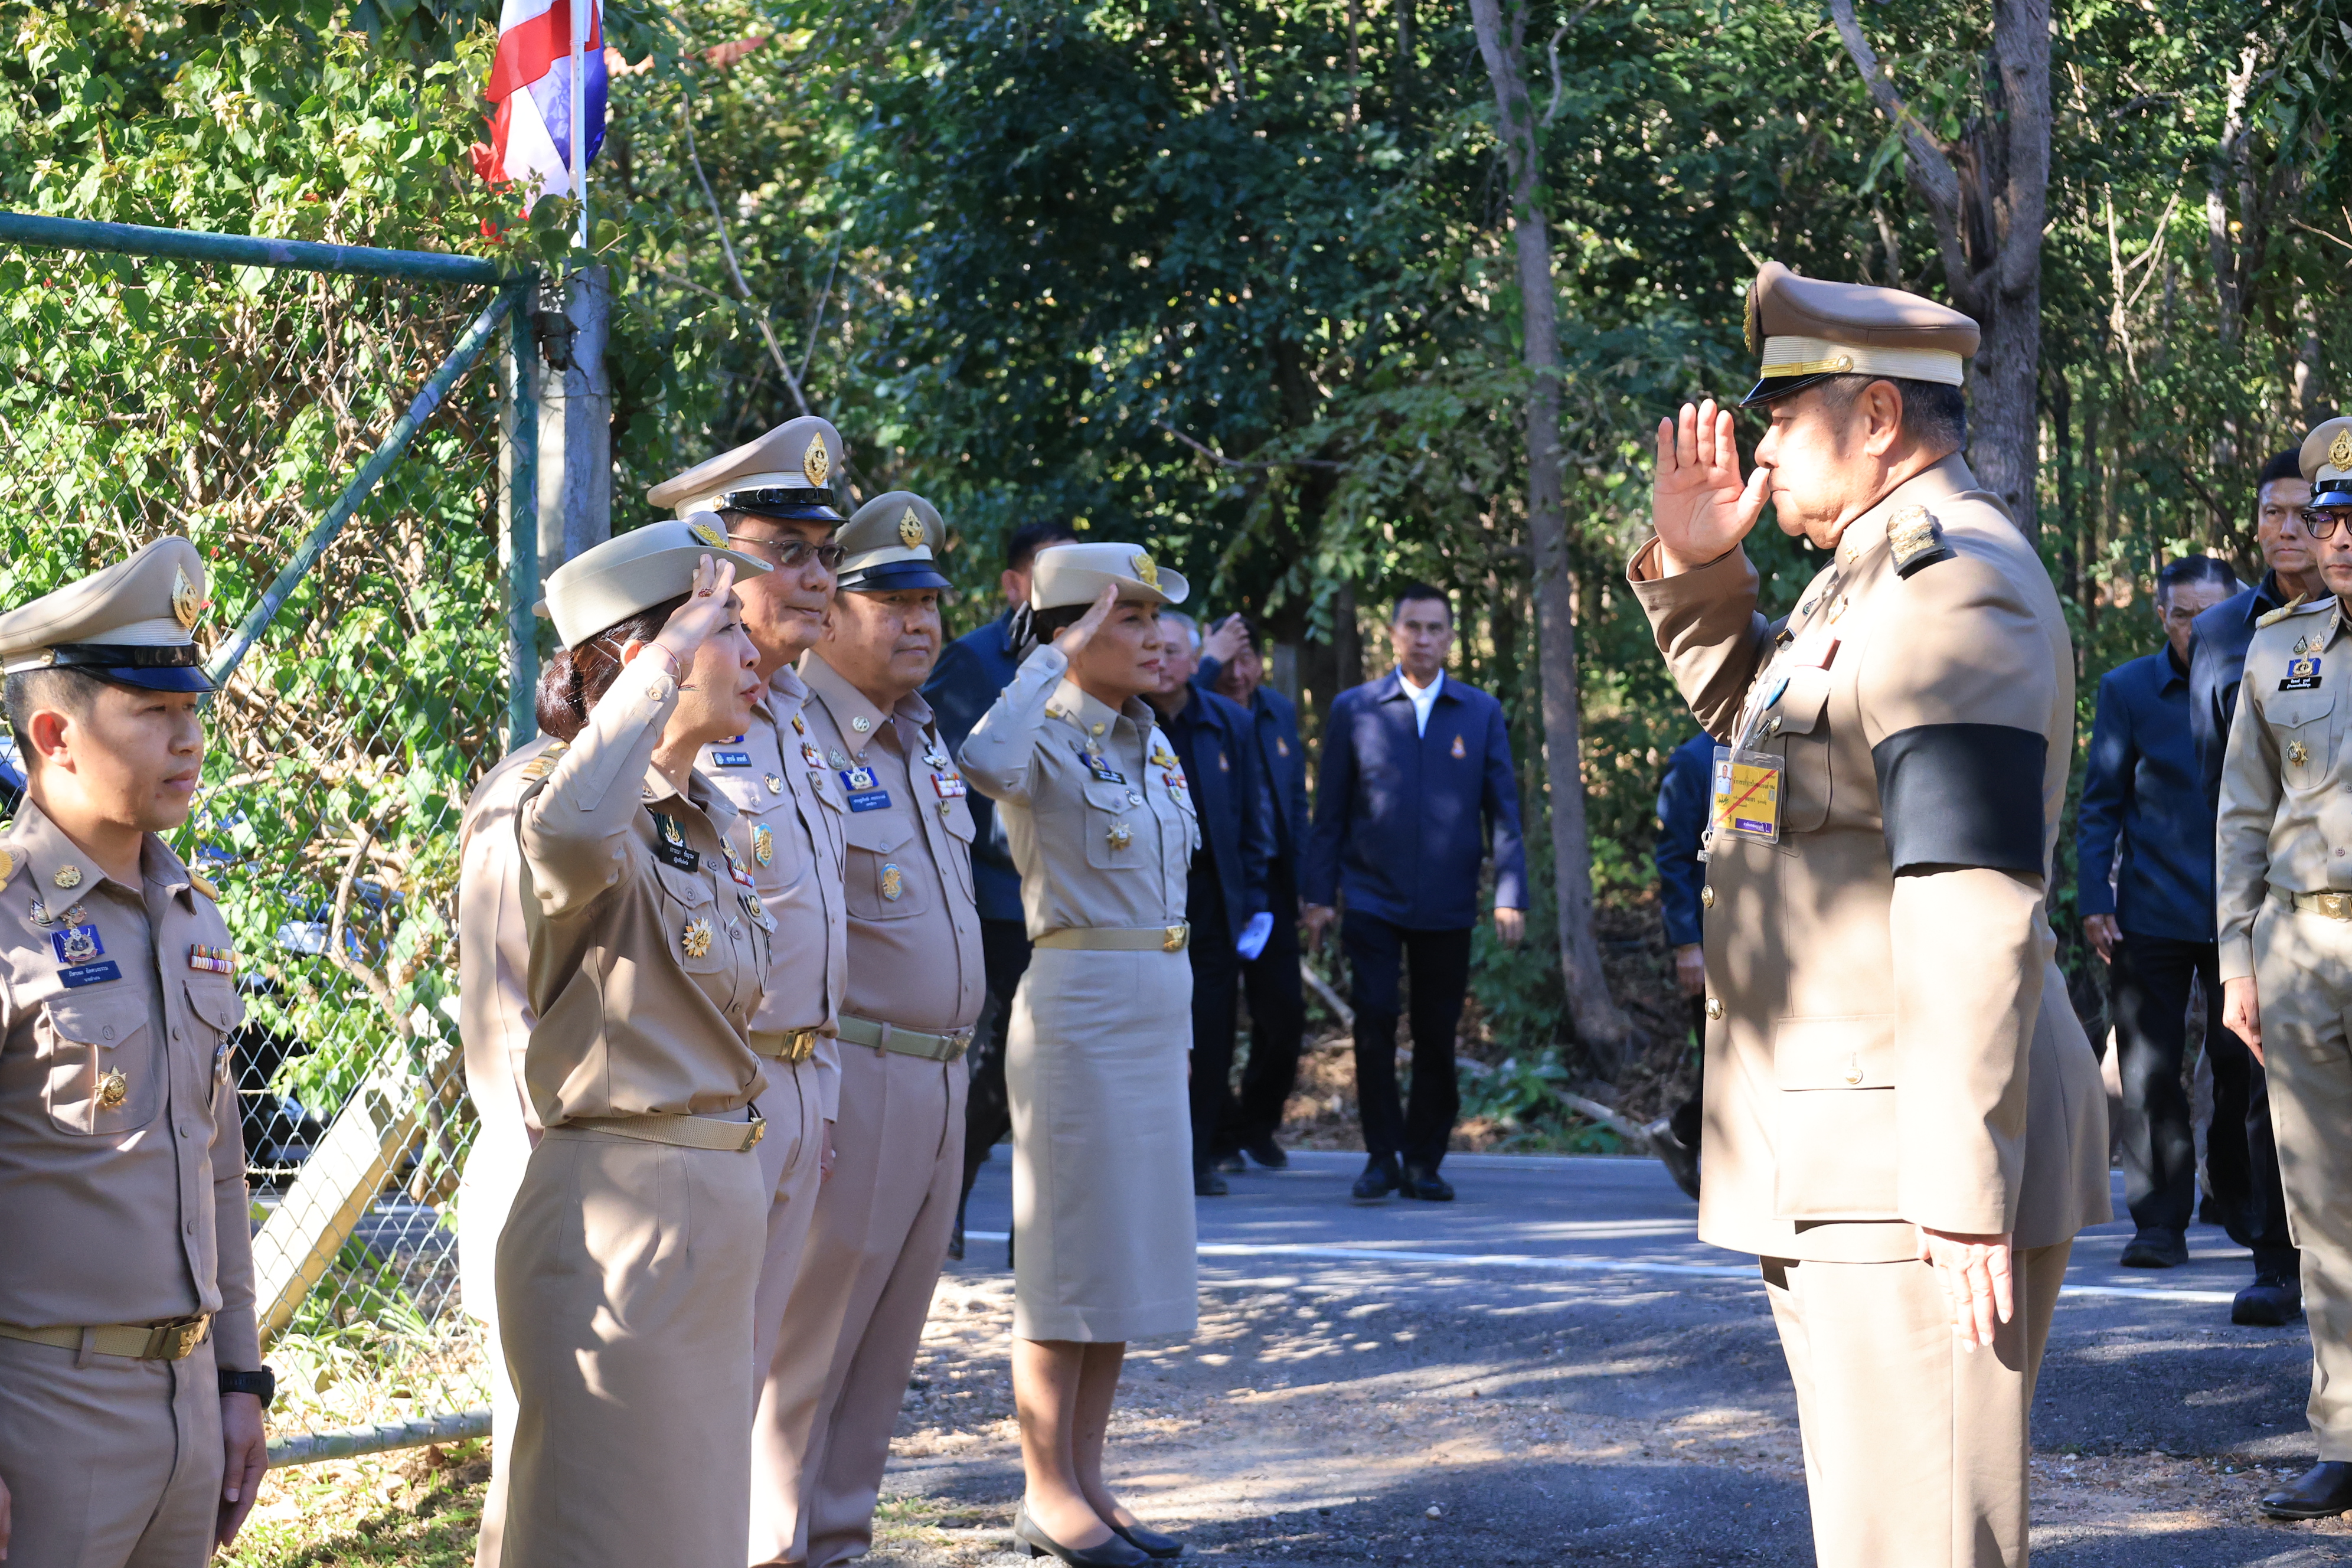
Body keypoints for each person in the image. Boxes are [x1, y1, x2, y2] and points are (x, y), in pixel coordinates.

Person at [1633, 261, 2108, 1568]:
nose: (1761, 445)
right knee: (1876, 1531)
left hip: (1914, 1147)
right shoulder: (1860, 581)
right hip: (1848, 1136)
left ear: (1880, 417)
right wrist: (1695, 565)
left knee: (1921, 1537)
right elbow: (1772, 750)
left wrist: (1959, 1182)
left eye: (1784, 415)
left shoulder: (1956, 585)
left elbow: (1970, 894)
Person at [496, 525, 776, 1568]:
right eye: (718, 627)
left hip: (711, 1205)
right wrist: (663, 665)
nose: (749, 652)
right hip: (619, 1218)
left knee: (693, 1536)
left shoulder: (702, 820)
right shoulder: (567, 809)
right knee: (603, 1534)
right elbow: (569, 830)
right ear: (631, 659)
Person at [0, 537, 272, 1564]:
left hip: (188, 1410)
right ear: (56, 734)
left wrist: (239, 1380)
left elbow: (218, 1168)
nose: (188, 737)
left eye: (191, 708)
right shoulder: (8, 923)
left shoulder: (191, 918)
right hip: (44, 1415)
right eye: (152, 713)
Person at [960, 543, 1200, 1568]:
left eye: (1158, 618)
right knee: (1064, 1269)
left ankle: (1089, 1482)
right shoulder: (1041, 732)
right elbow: (979, 761)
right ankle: (1044, 1490)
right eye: (1129, 619)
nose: (1157, 638)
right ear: (1072, 631)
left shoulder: (1148, 740)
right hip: (1076, 1017)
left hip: (1150, 1015)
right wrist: (1043, 662)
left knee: (1117, 1265)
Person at [641, 417, 852, 1567]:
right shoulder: (678, 720)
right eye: (789, 548)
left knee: (771, 1383)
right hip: (720, 1101)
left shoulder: (796, 715)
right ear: (714, 561)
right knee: (694, 1400)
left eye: (825, 552)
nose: (816, 576)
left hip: (806, 1081)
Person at [760, 491, 983, 1568]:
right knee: (806, 1354)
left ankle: (840, 1541)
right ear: (829, 612)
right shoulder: (790, 732)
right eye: (889, 600)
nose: (919, 623)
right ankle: (771, 1545)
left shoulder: (919, 734)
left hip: (940, 1079)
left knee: (885, 1351)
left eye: (930, 602)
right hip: (851, 1075)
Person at [2216, 414, 2352, 1521]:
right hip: (2300, 944)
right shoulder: (2276, 648)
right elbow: (2239, 818)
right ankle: (2345, 1434)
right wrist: (2233, 959)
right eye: (2328, 517)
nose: (2337, 536)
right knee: (2320, 1204)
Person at [1301, 583, 1527, 1205]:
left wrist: (1510, 891)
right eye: (1414, 627)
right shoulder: (1356, 708)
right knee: (1373, 1018)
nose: (1424, 639)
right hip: (1371, 897)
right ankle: (1381, 1156)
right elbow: (1330, 814)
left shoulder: (1478, 711)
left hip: (1447, 902)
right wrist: (1318, 895)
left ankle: (1424, 1159)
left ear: (1451, 638)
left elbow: (1504, 811)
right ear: (1394, 633)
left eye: (1436, 628)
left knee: (1437, 1031)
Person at [2077, 557, 2268, 1285]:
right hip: (2150, 909)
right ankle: (2160, 1222)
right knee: (2151, 1070)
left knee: (2239, 1066)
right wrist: (2095, 895)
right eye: (2182, 614)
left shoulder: (2262, 675)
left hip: (2241, 909)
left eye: (2210, 613)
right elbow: (2100, 802)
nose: (2196, 627)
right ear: (2162, 617)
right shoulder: (2127, 688)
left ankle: (2241, 1195)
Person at [2183, 451, 2314, 1322]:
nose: (2294, 529)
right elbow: (2218, 779)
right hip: (2269, 896)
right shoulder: (2227, 632)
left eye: (2313, 512)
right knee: (2261, 1084)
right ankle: (2276, 1259)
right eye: (2277, 513)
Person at [927, 520, 1079, 1260]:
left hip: (1065, 901)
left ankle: (1036, 1231)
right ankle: (945, 1192)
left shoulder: (1089, 655)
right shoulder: (975, 659)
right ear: (1014, 585)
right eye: (1051, 573)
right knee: (994, 1061)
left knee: (1049, 1069)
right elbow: (957, 783)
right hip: (995, 899)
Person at [455, 725, 562, 1568]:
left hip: (639, 1177)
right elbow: (501, 1017)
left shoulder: (672, 781)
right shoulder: (532, 788)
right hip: (553, 1175)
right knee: (537, 1472)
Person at [1145, 611, 1273, 1197]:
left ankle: (1198, 1155)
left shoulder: (1228, 722)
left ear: (1197, 663)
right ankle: (1155, 1153)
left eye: (1176, 650)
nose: (1164, 660)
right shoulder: (1127, 722)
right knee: (1156, 1030)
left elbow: (1253, 816)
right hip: (1145, 903)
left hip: (1214, 900)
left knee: (1213, 1031)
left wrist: (1254, 897)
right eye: (1156, 649)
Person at [1197, 614, 1311, 1172]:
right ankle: (1218, 1130)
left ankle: (1257, 1123)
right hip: (1213, 890)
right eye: (1227, 660)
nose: (1238, 674)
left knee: (1285, 1016)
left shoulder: (1278, 712)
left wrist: (1312, 891)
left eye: (1249, 660)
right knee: (1212, 1020)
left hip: (1270, 891)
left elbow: (1296, 806)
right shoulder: (1193, 711)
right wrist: (1208, 663)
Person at [1645, 730, 1713, 1201]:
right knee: (1727, 1064)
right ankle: (1684, 1134)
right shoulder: (1694, 760)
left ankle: (1685, 1136)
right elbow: (1674, 861)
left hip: (1773, 943)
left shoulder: (1777, 747)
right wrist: (1687, 943)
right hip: (1712, 942)